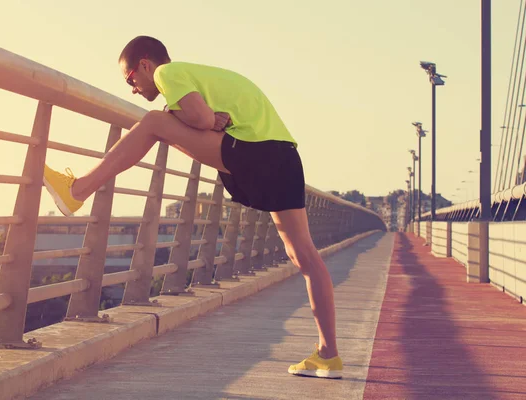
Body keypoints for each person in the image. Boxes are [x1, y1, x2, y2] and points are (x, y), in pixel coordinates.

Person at [42, 36, 343, 379]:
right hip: (284, 157)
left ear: (145, 64)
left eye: (131, 80)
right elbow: (204, 120)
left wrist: (192, 117)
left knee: (154, 122)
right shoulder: (200, 76)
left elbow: (199, 119)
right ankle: (328, 354)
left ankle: (77, 190)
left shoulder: (167, 73)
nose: (134, 89)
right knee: (304, 255)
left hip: (255, 153)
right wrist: (200, 118)